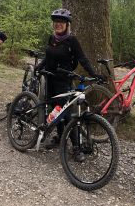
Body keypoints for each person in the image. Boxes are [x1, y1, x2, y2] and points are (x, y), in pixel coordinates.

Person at [35, 8, 101, 162]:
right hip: (50, 79)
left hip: (64, 81)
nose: (58, 24)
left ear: (67, 24)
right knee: (55, 110)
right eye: (56, 22)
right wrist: (39, 68)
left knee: (68, 114)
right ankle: (59, 136)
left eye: (61, 22)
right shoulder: (51, 38)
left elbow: (82, 59)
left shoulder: (72, 40)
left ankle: (76, 148)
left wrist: (94, 74)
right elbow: (48, 57)